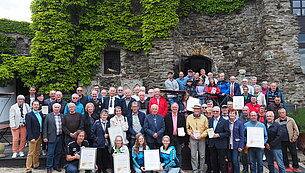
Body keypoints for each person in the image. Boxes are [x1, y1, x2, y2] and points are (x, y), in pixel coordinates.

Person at [186, 105, 208, 173]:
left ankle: (201, 170)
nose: (197, 111)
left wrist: (202, 135)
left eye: (198, 109)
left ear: (200, 110)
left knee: (202, 155)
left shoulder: (204, 118)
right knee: (193, 155)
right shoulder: (189, 117)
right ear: (193, 110)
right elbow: (187, 128)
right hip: (192, 138)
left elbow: (206, 129)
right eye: (195, 109)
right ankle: (195, 169)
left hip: (201, 138)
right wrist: (190, 134)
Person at [208, 106, 230, 173]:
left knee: (222, 161)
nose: (215, 112)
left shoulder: (224, 121)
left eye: (217, 111)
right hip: (212, 144)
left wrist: (219, 135)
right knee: (214, 161)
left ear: (220, 111)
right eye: (214, 111)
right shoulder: (210, 120)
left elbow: (228, 133)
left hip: (221, 144)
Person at [43, 103, 63, 173]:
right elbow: (45, 127)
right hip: (51, 137)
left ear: (59, 108)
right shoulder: (48, 116)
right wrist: (45, 136)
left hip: (60, 137)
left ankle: (56, 166)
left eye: (58, 107)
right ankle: (49, 167)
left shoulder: (62, 116)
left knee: (58, 152)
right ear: (53, 108)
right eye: (55, 107)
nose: (57, 109)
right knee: (50, 153)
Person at [25, 100, 43, 173]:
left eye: (37, 105)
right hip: (33, 136)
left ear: (39, 106)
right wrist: (31, 137)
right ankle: (28, 168)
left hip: (40, 135)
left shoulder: (41, 114)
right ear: (32, 106)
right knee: (31, 153)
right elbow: (28, 128)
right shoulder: (29, 115)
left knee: (37, 151)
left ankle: (36, 164)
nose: (36, 106)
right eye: (35, 105)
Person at [228, 109, 244, 173]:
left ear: (235, 115)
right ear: (228, 114)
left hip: (236, 145)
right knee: (230, 160)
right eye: (230, 113)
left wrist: (241, 146)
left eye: (233, 113)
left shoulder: (239, 123)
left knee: (235, 160)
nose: (232, 114)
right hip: (228, 144)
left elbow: (242, 136)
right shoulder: (226, 122)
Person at [238, 106, 250, 173]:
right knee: (244, 156)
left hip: (252, 140)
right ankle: (245, 169)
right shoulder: (240, 119)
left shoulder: (251, 117)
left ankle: (252, 169)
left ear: (249, 110)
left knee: (252, 156)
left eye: (246, 110)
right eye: (243, 110)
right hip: (243, 140)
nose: (245, 112)